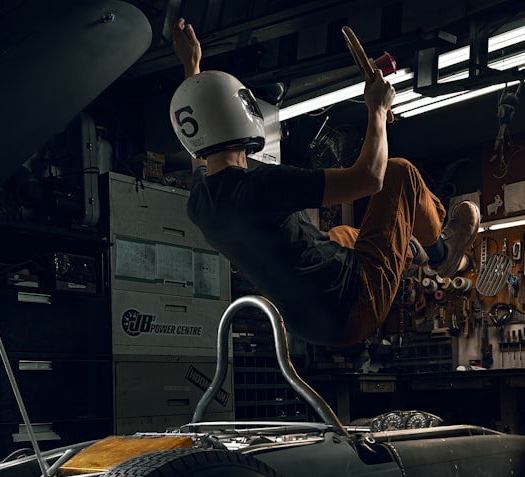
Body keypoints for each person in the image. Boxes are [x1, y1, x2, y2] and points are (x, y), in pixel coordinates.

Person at [169, 18, 480, 347]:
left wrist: (193, 67)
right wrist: (377, 108)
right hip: (355, 302)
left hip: (309, 325)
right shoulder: (263, 186)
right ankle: (441, 252)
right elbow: (370, 178)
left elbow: (202, 145)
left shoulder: (201, 200)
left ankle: (410, 250)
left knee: (340, 236)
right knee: (399, 173)